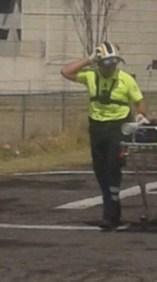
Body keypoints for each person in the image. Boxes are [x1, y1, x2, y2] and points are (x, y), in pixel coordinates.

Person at [61, 42, 148, 231]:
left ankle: (110, 213)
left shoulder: (126, 80)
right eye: (107, 64)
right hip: (97, 127)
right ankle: (111, 206)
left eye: (113, 64)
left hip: (118, 127)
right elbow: (66, 72)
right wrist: (89, 59)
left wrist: (140, 116)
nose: (110, 68)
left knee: (113, 167)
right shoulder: (91, 76)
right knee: (100, 170)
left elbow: (140, 102)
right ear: (99, 64)